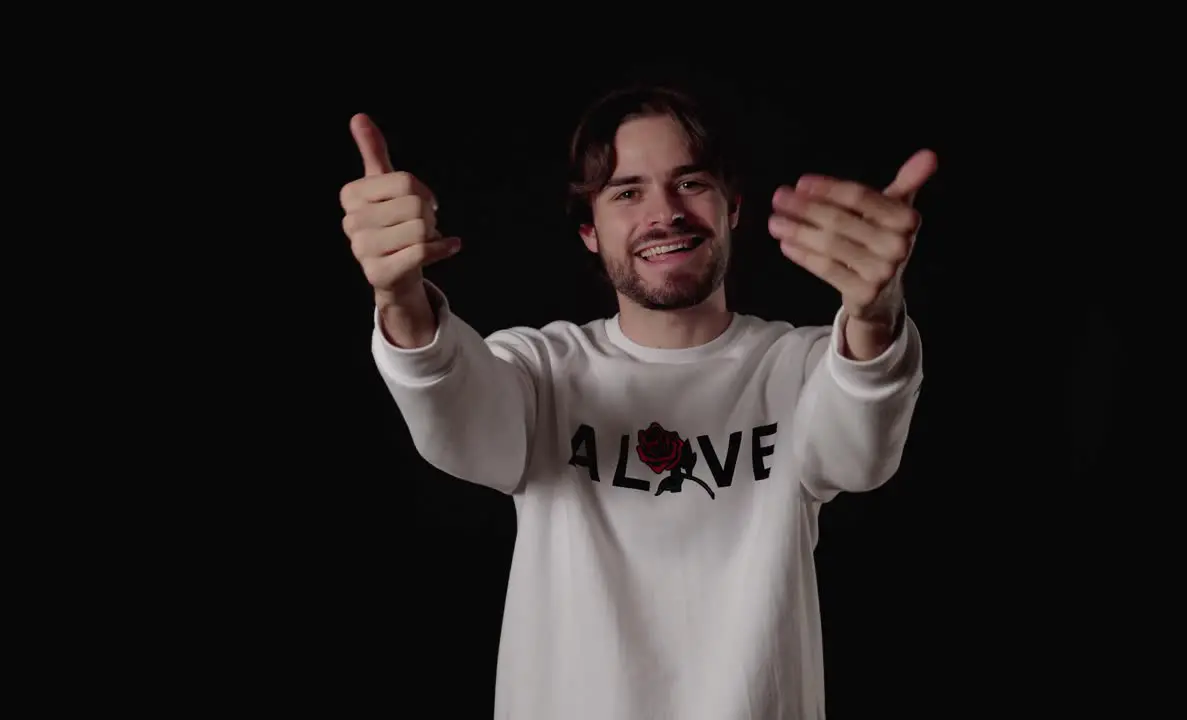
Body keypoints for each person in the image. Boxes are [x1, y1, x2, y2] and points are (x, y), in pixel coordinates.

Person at [339, 85, 935, 719]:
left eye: (691, 183)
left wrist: (875, 312)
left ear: (733, 207)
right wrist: (400, 298)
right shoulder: (541, 371)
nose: (665, 212)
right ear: (590, 232)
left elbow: (862, 448)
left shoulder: (801, 367)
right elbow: (455, 413)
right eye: (628, 192)